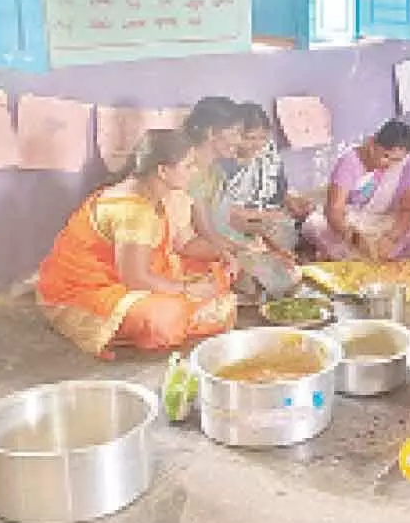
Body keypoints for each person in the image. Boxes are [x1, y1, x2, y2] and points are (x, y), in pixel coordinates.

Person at [35, 129, 236, 359]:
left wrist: (222, 254)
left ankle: (185, 306)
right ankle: (123, 325)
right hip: (85, 289)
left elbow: (185, 244)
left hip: (131, 276)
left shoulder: (161, 193)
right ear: (163, 171)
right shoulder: (132, 210)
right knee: (165, 318)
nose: (195, 172)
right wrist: (187, 289)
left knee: (214, 275)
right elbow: (135, 278)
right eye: (189, 165)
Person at [183, 97, 301, 298]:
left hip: (227, 241)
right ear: (212, 133)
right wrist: (249, 250)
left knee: (289, 272)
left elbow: (227, 218)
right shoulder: (192, 174)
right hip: (204, 249)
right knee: (278, 279)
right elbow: (207, 233)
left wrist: (268, 243)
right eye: (237, 133)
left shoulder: (215, 171)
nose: (239, 141)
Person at [301, 119, 410, 262]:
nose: (390, 164)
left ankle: (355, 256)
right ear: (372, 145)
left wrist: (392, 238)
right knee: (315, 225)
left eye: (397, 160)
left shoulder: (408, 162)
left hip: (386, 220)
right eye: (385, 156)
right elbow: (334, 209)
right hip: (353, 221)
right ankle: (366, 255)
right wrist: (354, 237)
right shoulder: (349, 161)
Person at [219, 102, 315, 257]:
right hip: (236, 222)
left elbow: (279, 189)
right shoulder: (223, 162)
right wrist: (265, 216)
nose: (256, 145)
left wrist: (292, 201)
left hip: (268, 214)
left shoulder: (267, 152)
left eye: (262, 137)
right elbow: (221, 211)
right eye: (249, 138)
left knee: (310, 226)